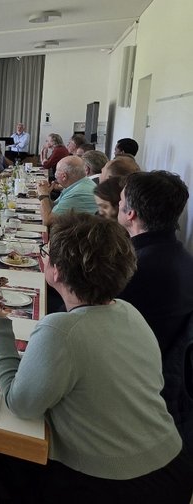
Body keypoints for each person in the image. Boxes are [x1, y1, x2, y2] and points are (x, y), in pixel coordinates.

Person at [0, 213, 193, 503]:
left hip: (116, 485)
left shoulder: (61, 330)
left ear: (57, 272)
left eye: (47, 254)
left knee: (7, 447)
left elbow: (20, 402)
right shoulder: (131, 313)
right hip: (173, 465)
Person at [117, 171, 193, 447]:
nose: (117, 204)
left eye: (121, 199)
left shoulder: (136, 269)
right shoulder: (181, 257)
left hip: (130, 383)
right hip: (161, 381)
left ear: (131, 214)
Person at [36, 156, 97, 226]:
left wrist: (43, 195)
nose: (55, 176)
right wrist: (46, 193)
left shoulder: (78, 193)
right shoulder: (78, 184)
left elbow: (47, 221)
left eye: (56, 171)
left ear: (64, 176)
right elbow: (53, 208)